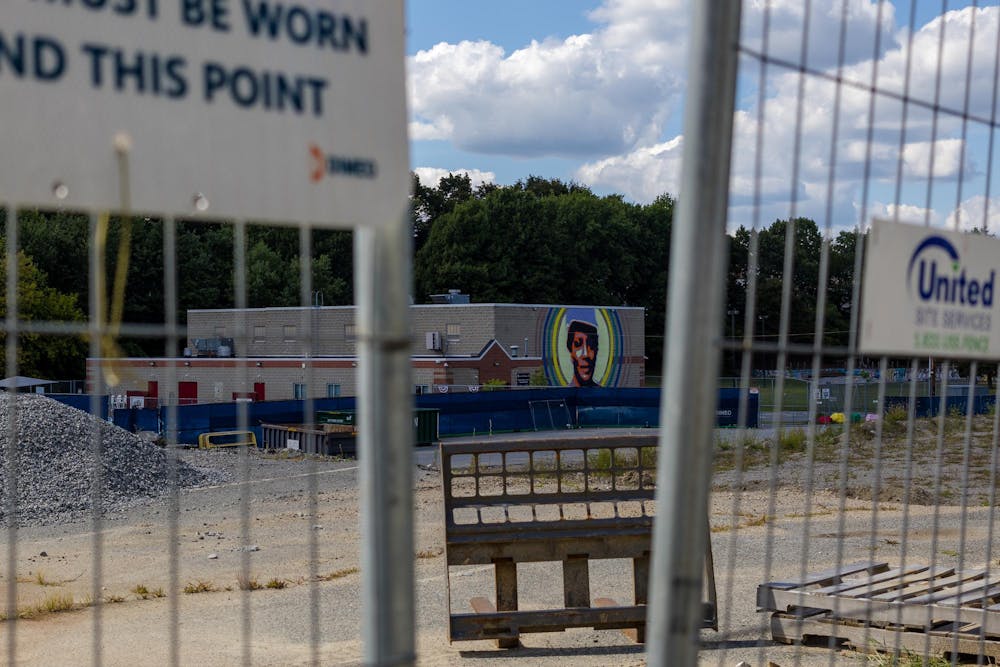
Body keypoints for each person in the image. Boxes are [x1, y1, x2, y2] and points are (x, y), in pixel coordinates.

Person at [565, 316, 600, 387]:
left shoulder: (603, 395)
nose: (585, 354)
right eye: (578, 344)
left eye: (591, 345)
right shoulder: (563, 395)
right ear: (571, 352)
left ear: (596, 351)